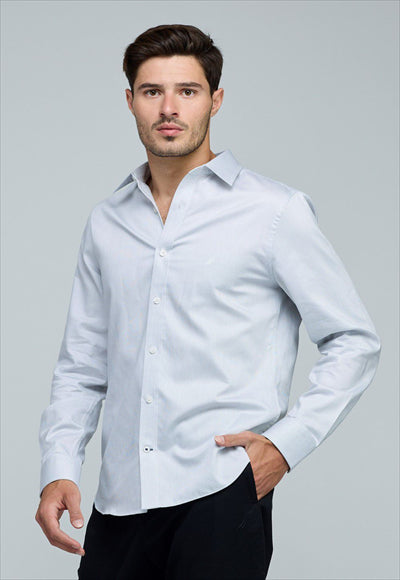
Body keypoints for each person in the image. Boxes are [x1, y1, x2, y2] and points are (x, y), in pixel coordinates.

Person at [35, 23, 381, 580]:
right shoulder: (107, 222)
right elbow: (82, 365)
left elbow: (353, 341)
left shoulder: (274, 212)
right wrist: (59, 467)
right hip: (119, 501)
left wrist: (284, 448)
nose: (169, 108)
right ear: (130, 101)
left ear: (215, 100)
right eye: (152, 92)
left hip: (220, 492)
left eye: (187, 91)